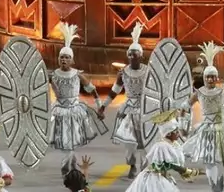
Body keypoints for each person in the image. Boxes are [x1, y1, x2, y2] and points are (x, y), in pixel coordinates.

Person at [48, 22, 107, 174]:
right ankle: (70, 161)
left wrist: (100, 106)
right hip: (59, 110)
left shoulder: (78, 75)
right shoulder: (53, 75)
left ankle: (67, 163)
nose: (63, 60)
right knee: (66, 140)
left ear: (72, 60)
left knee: (71, 140)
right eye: (61, 57)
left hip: (75, 110)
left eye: (67, 57)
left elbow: (93, 91)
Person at [180, 43, 224, 192]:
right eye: (207, 77)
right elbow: (184, 106)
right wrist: (182, 124)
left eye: (213, 77)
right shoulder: (199, 92)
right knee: (209, 160)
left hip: (221, 128)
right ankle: (213, 186)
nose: (210, 79)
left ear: (217, 78)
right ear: (204, 77)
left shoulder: (222, 92)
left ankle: (221, 183)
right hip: (206, 130)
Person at [110, 24, 155, 178]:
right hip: (128, 110)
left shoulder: (148, 71)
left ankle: (144, 168)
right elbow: (115, 90)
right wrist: (102, 106)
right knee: (129, 142)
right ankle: (132, 165)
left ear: (141, 56)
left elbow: (155, 90)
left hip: (144, 109)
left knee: (144, 142)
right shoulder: (123, 73)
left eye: (135, 54)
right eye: (129, 54)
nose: (132, 57)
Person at [123, 110, 188, 192]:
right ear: (168, 134)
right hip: (155, 177)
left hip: (161, 175)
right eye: (176, 132)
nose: (178, 134)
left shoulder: (172, 144)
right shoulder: (161, 146)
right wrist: (178, 170)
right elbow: (160, 166)